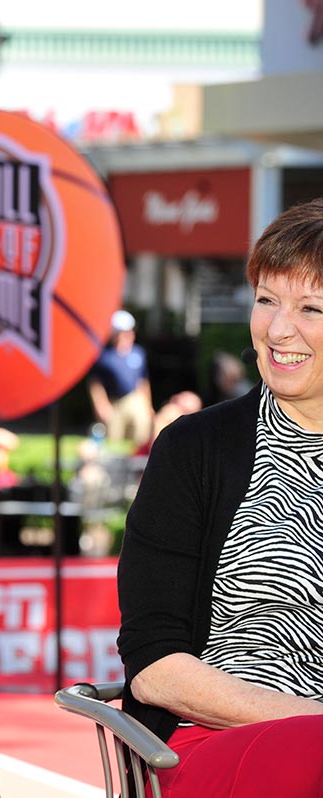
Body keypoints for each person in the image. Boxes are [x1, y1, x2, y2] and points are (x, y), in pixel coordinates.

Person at [117, 197, 323, 797]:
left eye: (311, 308)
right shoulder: (194, 449)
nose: (278, 329)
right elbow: (154, 667)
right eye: (267, 300)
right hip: (206, 742)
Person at [86, 309, 154, 446]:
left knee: (140, 437)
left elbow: (143, 381)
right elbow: (95, 383)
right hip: (114, 402)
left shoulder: (138, 353)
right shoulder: (104, 356)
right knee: (114, 440)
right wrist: (101, 404)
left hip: (135, 400)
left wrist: (148, 405)